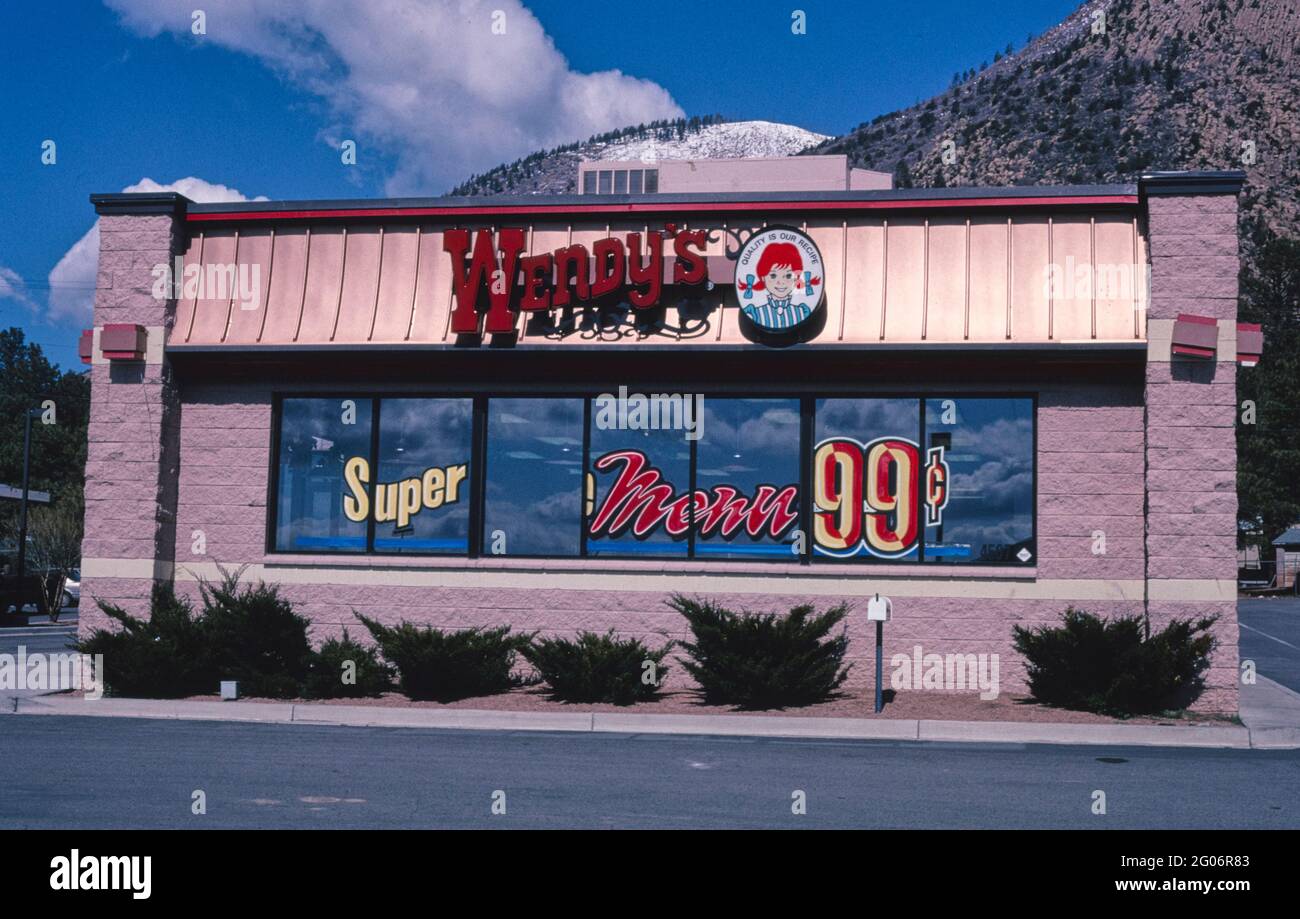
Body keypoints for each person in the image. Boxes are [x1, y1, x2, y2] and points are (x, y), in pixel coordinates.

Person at [739, 241, 819, 330]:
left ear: (796, 278)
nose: (781, 282)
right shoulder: (756, 313)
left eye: (788, 276)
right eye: (773, 275)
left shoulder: (801, 311)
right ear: (762, 277)